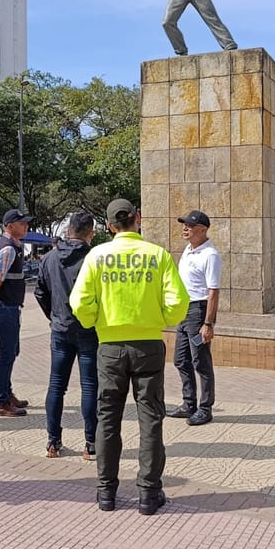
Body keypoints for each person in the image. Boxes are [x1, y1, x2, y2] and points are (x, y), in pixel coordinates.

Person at [70, 199, 189, 515]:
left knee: (108, 417)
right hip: (148, 344)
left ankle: (106, 492)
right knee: (150, 417)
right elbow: (179, 302)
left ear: (109, 226)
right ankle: (149, 493)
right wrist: (159, 320)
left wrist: (96, 321)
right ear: (138, 219)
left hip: (109, 346)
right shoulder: (157, 255)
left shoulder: (97, 256)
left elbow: (79, 303)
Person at [34, 211, 99, 460]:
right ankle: (90, 442)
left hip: (60, 328)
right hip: (88, 329)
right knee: (89, 385)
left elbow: (40, 292)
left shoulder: (49, 258)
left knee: (56, 385)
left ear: (68, 230)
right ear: (90, 234)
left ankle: (53, 441)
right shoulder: (93, 258)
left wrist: (53, 316)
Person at [0, 209, 34, 417]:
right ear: (10, 226)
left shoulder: (12, 246)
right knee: (7, 353)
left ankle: (7, 394)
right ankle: (1, 401)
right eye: (21, 223)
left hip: (9, 306)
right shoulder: (8, 248)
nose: (26, 226)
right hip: (5, 306)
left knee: (11, 351)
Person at [168, 210, 221, 427]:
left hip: (198, 312)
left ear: (202, 229)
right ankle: (188, 404)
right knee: (181, 359)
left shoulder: (210, 255)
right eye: (184, 225)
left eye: (189, 226)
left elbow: (213, 292)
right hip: (184, 311)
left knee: (201, 360)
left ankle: (205, 408)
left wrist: (208, 324)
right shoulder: (188, 250)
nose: (185, 228)